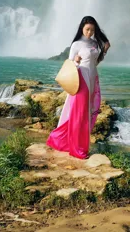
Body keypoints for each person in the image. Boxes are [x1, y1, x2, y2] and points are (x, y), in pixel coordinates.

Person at [46, 16, 110, 159]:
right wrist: (75, 61)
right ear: (82, 28)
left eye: (92, 30)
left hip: (92, 79)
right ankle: (77, 149)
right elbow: (69, 64)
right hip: (81, 80)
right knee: (79, 115)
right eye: (87, 29)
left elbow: (95, 62)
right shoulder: (76, 44)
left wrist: (104, 51)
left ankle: (61, 139)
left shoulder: (94, 43)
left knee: (85, 114)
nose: (89, 32)